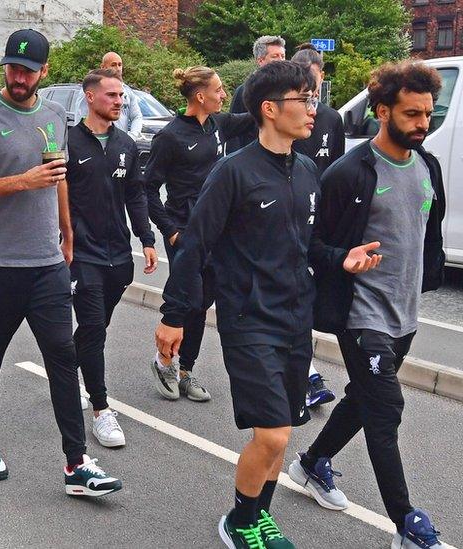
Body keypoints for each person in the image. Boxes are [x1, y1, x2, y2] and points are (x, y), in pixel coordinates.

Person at [155, 61, 381, 549]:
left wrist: (344, 259)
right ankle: (239, 520)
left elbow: (311, 246)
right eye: (305, 100)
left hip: (296, 317)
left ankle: (260, 516)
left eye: (314, 99)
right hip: (248, 319)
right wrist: (174, 317)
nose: (313, 110)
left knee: (287, 428)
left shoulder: (305, 171)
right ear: (269, 108)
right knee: (273, 435)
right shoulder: (232, 172)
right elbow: (194, 246)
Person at [0, 29, 123, 497]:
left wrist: (66, 229)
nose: (18, 76)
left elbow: (57, 172)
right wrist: (19, 182)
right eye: (11, 67)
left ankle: (76, 463)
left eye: (27, 69)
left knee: (63, 357)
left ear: (44, 71)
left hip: (45, 261)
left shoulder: (52, 114)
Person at [289, 60, 447, 549]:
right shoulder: (348, 173)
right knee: (385, 408)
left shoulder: (427, 164)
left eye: (428, 114)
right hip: (361, 312)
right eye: (412, 114)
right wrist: (346, 260)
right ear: (382, 111)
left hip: (404, 313)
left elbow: (428, 234)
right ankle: (407, 524)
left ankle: (313, 463)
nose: (423, 124)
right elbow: (311, 244)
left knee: (364, 397)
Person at [144, 65, 255, 403]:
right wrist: (171, 231)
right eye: (219, 90)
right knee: (188, 297)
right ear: (201, 96)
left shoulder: (219, 125)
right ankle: (164, 361)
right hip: (185, 231)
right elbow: (148, 189)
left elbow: (254, 117)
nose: (224, 95)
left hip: (216, 231)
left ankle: (185, 371)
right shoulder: (170, 137)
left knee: (203, 302)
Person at [66, 68, 158, 447]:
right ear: (90, 97)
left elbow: (136, 195)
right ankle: (101, 410)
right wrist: (61, 238)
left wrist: (147, 239)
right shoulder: (69, 142)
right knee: (92, 328)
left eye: (122, 96)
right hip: (81, 254)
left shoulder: (126, 144)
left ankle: (63, 369)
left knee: (95, 328)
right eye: (112, 96)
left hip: (118, 255)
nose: (119, 102)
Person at [290, 43, 345, 409]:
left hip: (320, 223)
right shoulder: (284, 117)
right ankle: (306, 376)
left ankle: (303, 372)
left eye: (315, 85)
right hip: (289, 221)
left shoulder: (332, 119)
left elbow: (337, 171)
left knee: (308, 299)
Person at [227, 36, 287, 153]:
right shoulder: (244, 91)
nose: (281, 60)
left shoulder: (290, 90)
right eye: (275, 56)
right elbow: (233, 131)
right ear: (260, 60)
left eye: (283, 56)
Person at [75, 52, 143, 138]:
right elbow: (80, 116)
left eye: (120, 65)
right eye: (113, 65)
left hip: (120, 143)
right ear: (103, 67)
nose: (118, 68)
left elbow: (137, 116)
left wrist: (132, 137)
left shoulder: (127, 91)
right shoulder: (91, 89)